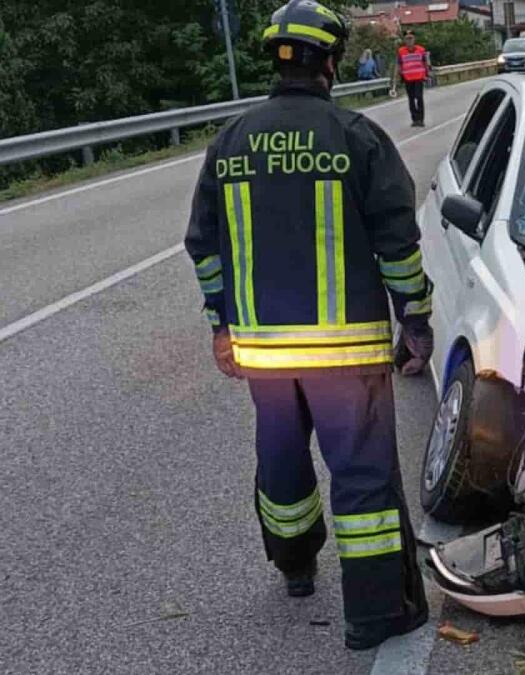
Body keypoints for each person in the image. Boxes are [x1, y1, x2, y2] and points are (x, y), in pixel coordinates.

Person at [183, 0, 433, 651]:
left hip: (263, 355)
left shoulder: (229, 143)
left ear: (275, 59)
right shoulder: (356, 137)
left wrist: (220, 325)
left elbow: (204, 248)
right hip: (346, 357)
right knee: (363, 477)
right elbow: (399, 246)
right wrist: (416, 321)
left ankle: (295, 566)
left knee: (282, 460)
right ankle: (375, 613)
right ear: (330, 61)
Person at [391, 31, 430, 127]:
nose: (409, 41)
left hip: (419, 77)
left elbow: (425, 63)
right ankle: (415, 119)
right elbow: (399, 64)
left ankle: (421, 119)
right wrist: (396, 77)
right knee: (411, 99)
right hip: (408, 78)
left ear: (414, 39)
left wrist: (427, 74)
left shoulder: (421, 50)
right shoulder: (401, 51)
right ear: (404, 40)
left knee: (419, 97)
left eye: (411, 38)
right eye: (407, 38)